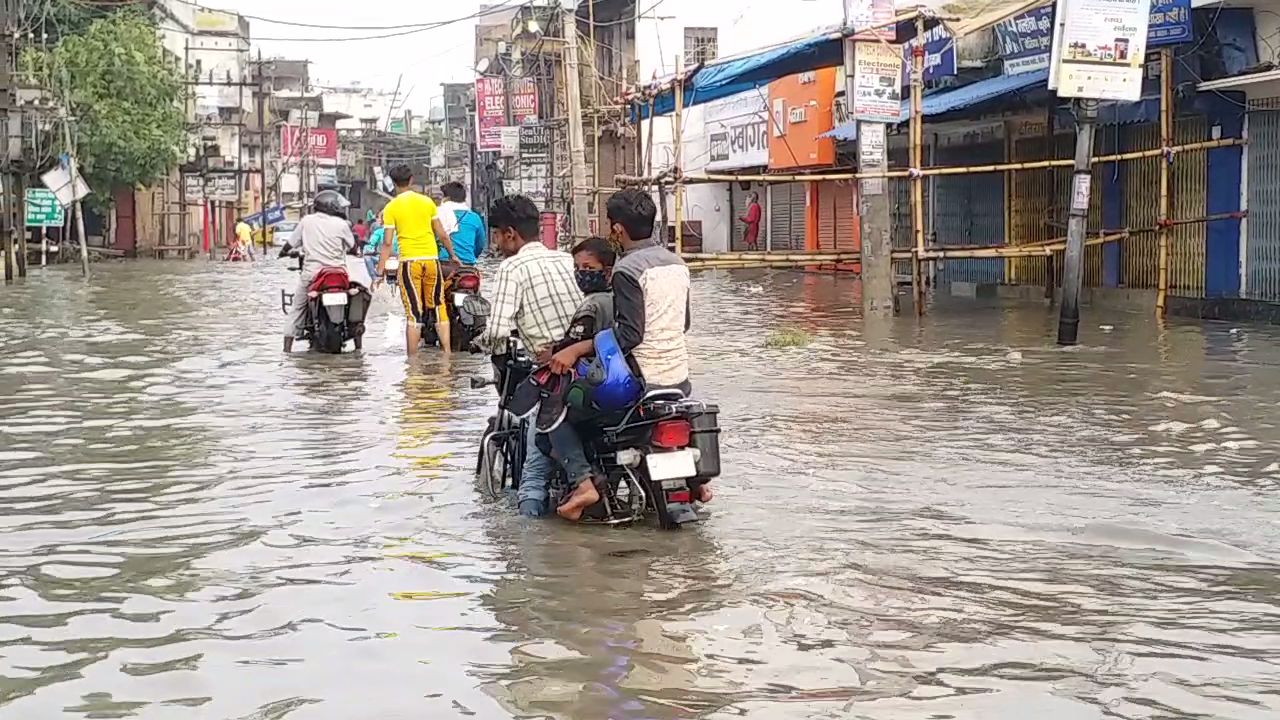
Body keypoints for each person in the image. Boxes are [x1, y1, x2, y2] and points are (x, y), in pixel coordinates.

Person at [558, 189, 708, 521]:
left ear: (617, 230)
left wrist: (580, 348)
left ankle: (583, 484)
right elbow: (683, 323)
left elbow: (629, 335)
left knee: (563, 409)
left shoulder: (627, 269)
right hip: (678, 381)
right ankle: (696, 483)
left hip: (640, 384)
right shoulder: (676, 263)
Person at [475, 195, 583, 518]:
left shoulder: (512, 268)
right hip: (592, 366)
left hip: (555, 373)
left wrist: (480, 343)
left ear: (510, 234)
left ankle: (526, 546)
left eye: (495, 235)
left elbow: (496, 331)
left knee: (534, 474)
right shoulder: (567, 259)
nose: (495, 243)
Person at [375, 163, 459, 357]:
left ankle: (412, 362)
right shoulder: (427, 202)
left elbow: (387, 243)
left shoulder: (391, 208)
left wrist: (379, 272)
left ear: (393, 183)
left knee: (413, 312)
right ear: (411, 180)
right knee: (439, 307)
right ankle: (447, 355)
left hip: (409, 263)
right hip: (431, 261)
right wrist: (453, 255)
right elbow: (442, 234)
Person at [281, 190, 357, 353]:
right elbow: (353, 247)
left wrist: (283, 252)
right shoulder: (342, 224)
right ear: (331, 206)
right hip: (339, 275)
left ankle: (287, 350)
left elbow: (291, 243)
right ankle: (358, 344)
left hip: (312, 274)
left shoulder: (306, 221)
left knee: (297, 308)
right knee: (355, 296)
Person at [436, 182, 488, 266]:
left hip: (442, 264)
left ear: (446, 198)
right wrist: (468, 256)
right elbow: (480, 244)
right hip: (467, 264)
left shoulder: (437, 215)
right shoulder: (474, 218)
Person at [362, 215, 397, 283]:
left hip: (381, 257)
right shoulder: (400, 232)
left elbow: (371, 244)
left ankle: (375, 277)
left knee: (367, 257)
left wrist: (368, 250)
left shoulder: (379, 232)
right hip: (399, 258)